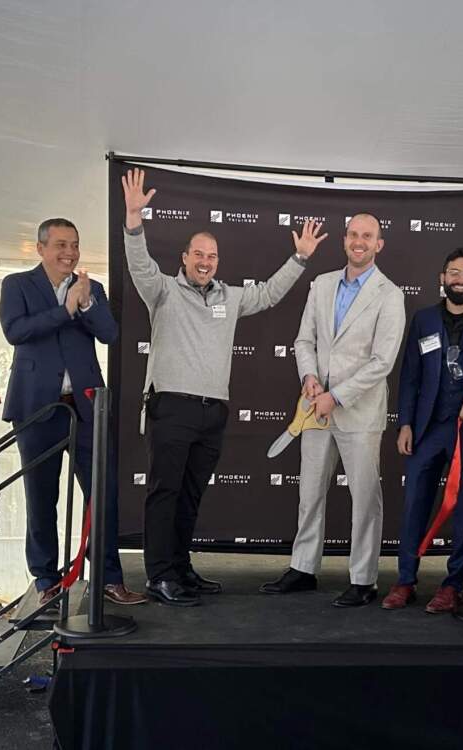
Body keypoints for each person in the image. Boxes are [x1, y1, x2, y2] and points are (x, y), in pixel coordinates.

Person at [121, 168, 325, 606]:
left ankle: (180, 568)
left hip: (212, 411)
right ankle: (159, 575)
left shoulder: (229, 298)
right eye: (198, 254)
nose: (205, 261)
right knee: (165, 493)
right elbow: (139, 264)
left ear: (218, 262)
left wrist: (301, 258)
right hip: (171, 406)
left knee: (190, 496)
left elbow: (269, 294)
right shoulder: (162, 292)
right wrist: (134, 221)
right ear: (184, 258)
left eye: (212, 256)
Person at [260, 213, 406, 608]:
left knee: (364, 498)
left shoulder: (390, 295)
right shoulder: (322, 284)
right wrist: (309, 379)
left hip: (357, 413)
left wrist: (335, 396)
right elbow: (303, 340)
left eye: (368, 236)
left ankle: (363, 578)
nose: (359, 241)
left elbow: (382, 361)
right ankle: (304, 568)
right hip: (314, 410)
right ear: (345, 239)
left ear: (379, 244)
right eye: (354, 234)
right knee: (309, 493)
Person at [1, 218, 145, 606]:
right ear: (41, 248)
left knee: (102, 494)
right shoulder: (17, 285)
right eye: (61, 245)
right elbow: (15, 331)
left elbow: (110, 335)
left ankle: (109, 578)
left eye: (75, 245)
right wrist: (64, 310)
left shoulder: (91, 288)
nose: (69, 252)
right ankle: (46, 579)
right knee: (41, 497)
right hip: (36, 408)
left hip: (86, 408)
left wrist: (86, 304)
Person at [381, 247, 463, 613]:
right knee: (413, 508)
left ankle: (453, 584)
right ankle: (405, 579)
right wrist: (405, 422)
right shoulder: (423, 320)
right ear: (443, 279)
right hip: (426, 430)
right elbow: (409, 377)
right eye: (454, 272)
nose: (461, 279)